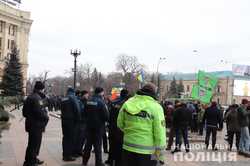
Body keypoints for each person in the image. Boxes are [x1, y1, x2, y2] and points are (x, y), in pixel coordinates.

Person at [117, 83, 166, 166]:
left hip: (128, 148)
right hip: (148, 151)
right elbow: (160, 134)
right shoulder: (156, 107)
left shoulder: (128, 103)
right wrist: (160, 157)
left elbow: (120, 124)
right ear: (154, 93)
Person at [22, 81, 49, 166]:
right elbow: (39, 111)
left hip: (31, 124)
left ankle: (32, 159)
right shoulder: (37, 98)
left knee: (32, 144)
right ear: (41, 89)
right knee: (34, 144)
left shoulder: (30, 97)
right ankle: (30, 162)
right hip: (36, 125)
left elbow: (24, 113)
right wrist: (46, 117)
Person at [82, 87, 109, 166]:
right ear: (101, 93)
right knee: (97, 145)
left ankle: (84, 161)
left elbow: (83, 113)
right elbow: (106, 116)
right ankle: (98, 162)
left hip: (89, 126)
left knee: (88, 145)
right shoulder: (101, 102)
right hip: (98, 127)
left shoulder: (88, 101)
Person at [106, 89, 129, 166]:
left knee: (112, 145)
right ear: (126, 95)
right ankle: (118, 162)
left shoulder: (113, 102)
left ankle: (110, 160)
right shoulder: (126, 104)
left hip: (112, 127)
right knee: (119, 147)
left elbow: (109, 114)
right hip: (120, 128)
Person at [61, 87, 81, 161]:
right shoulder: (73, 98)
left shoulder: (64, 98)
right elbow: (77, 109)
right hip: (71, 121)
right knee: (71, 138)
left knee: (65, 137)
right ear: (73, 92)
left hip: (64, 120)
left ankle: (64, 154)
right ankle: (68, 155)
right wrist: (78, 119)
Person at [73, 90, 89, 157]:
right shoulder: (81, 101)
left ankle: (79, 150)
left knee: (82, 138)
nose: (88, 96)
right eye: (87, 95)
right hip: (82, 122)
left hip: (83, 121)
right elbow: (81, 111)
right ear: (84, 95)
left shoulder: (82, 101)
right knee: (80, 138)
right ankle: (77, 151)